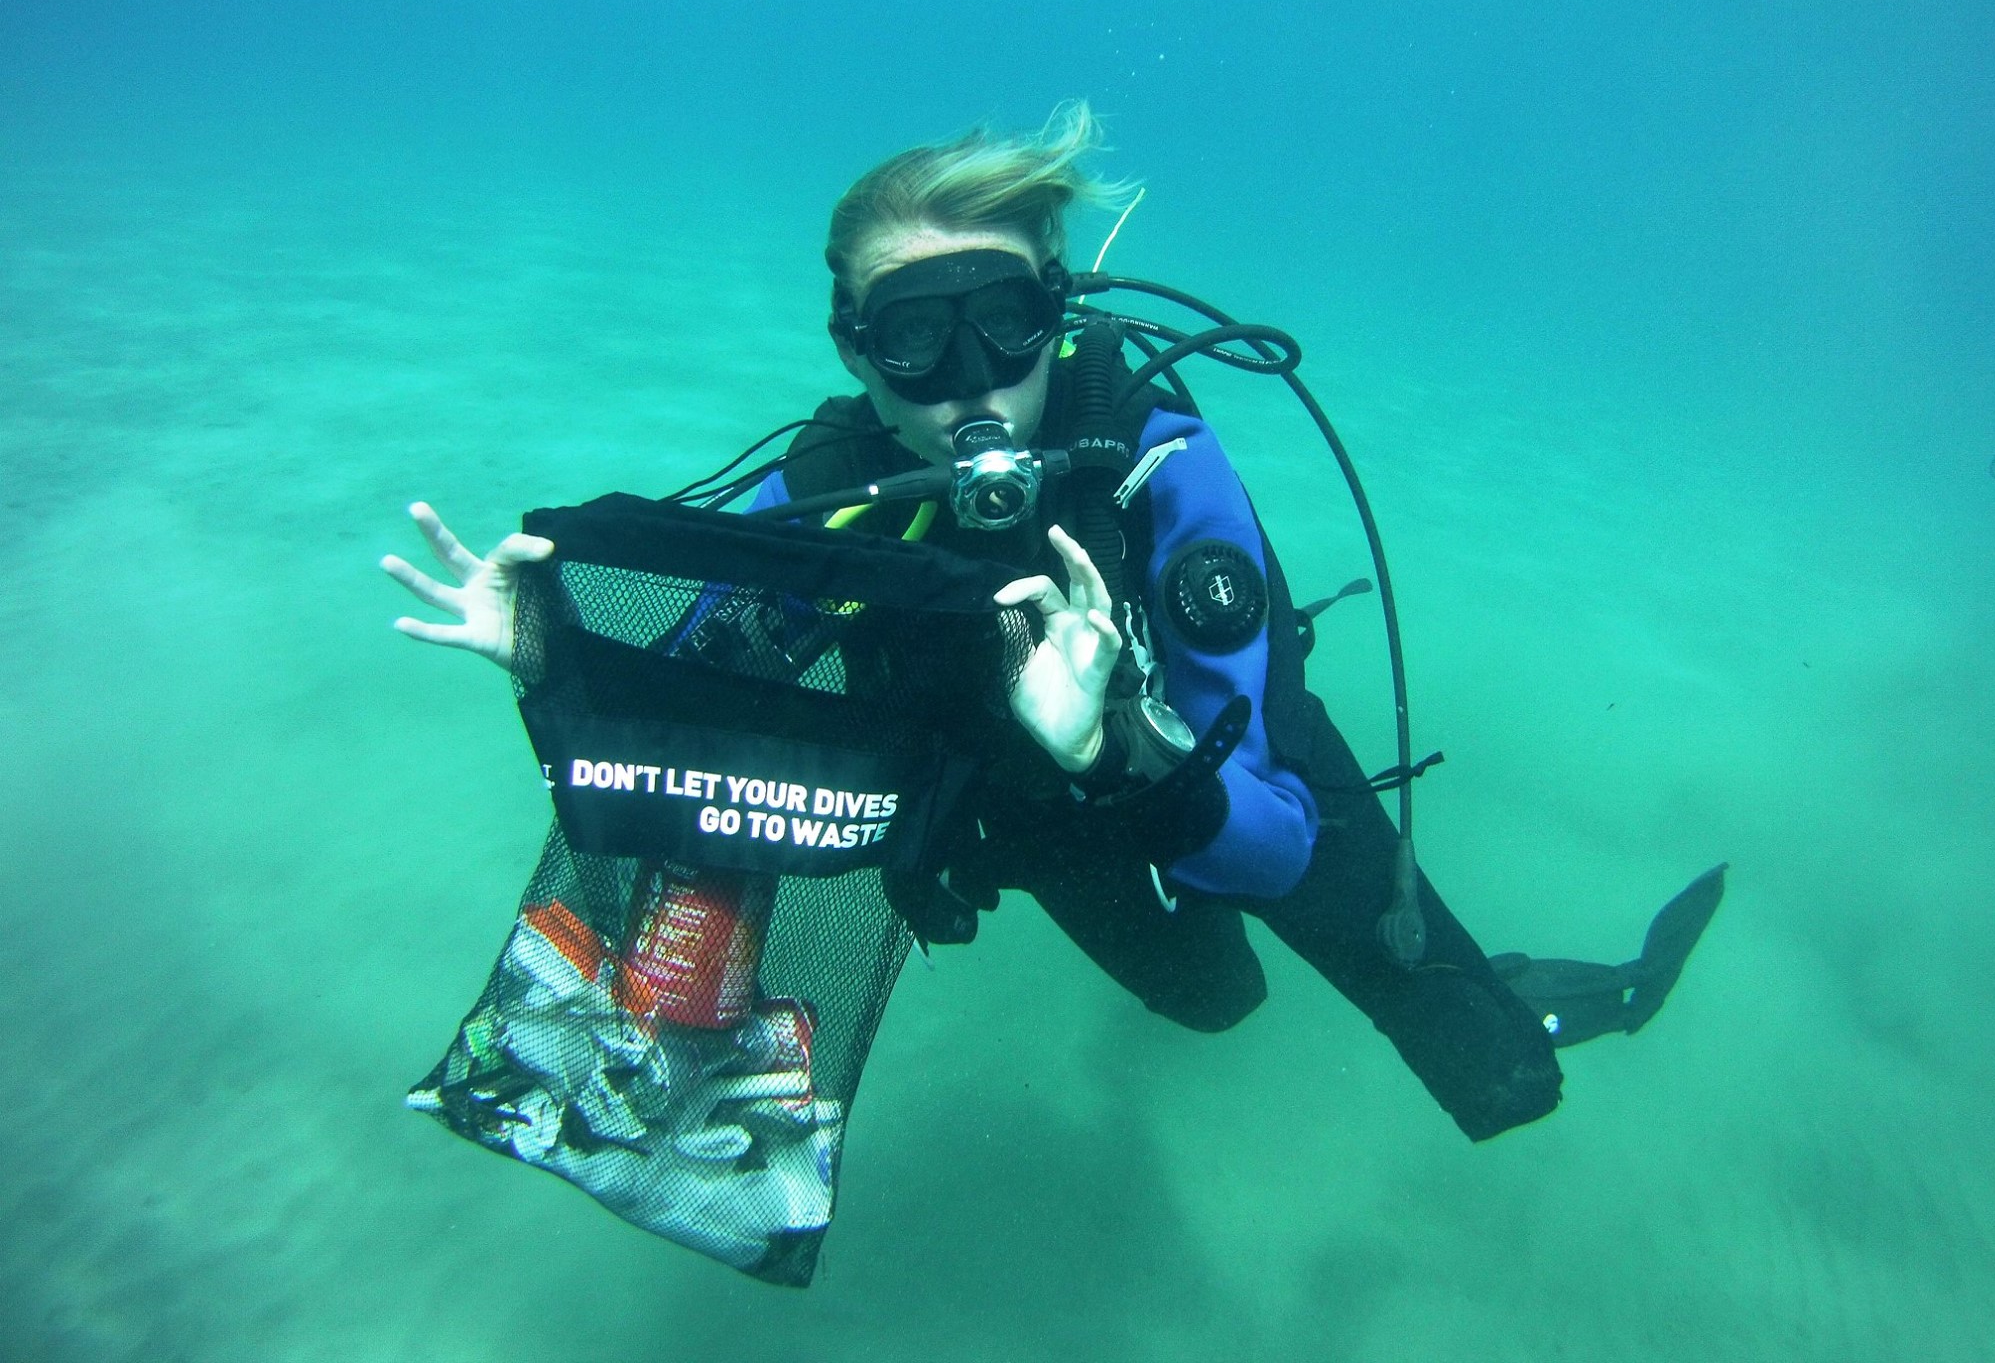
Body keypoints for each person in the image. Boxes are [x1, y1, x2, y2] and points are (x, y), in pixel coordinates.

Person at [385, 103, 1723, 1143]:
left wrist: (1127, 746)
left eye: (1006, 325)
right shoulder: (833, 492)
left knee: (1466, 1030)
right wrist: (555, 650)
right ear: (856, 353)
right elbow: (693, 697)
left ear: (1057, 315)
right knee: (1215, 1003)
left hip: (1228, 766)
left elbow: (1266, 836)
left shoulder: (1159, 468)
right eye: (918, 340)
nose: (971, 382)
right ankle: (1181, 944)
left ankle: (1558, 987)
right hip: (1031, 819)